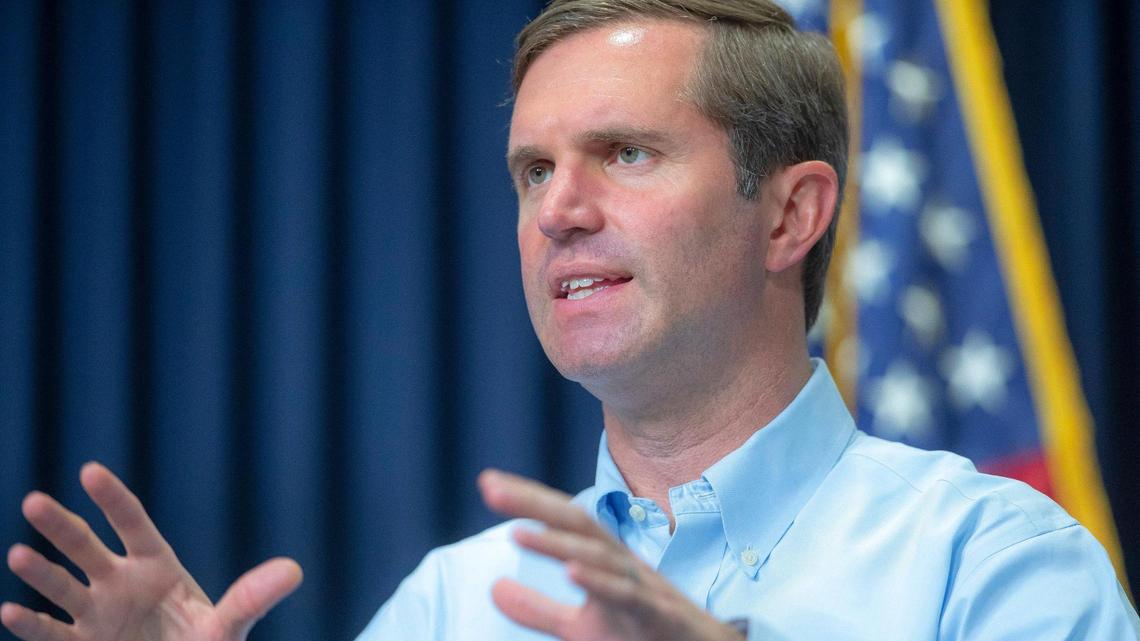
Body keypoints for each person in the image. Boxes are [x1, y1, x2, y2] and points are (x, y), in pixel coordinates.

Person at [3, 1, 1138, 640]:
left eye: (625, 153)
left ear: (791, 213)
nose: (558, 211)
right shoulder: (451, 605)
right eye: (533, 171)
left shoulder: (992, 564)